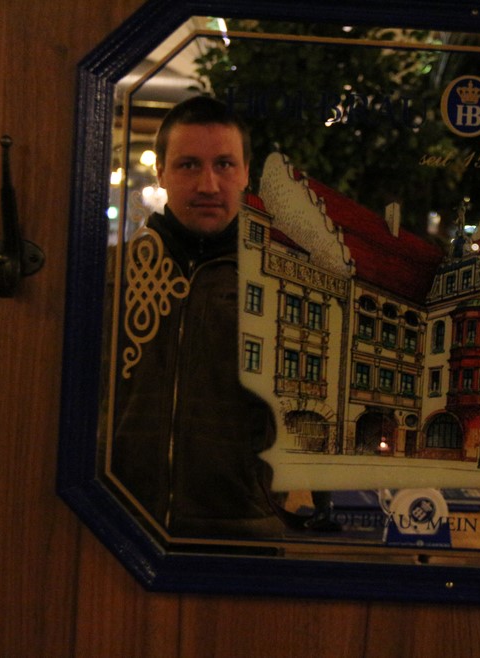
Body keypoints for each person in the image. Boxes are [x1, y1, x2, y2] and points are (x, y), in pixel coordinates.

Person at [109, 96, 285, 538]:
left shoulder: (280, 286)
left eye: (224, 164)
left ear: (246, 173)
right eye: (189, 165)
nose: (208, 185)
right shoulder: (113, 275)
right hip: (118, 528)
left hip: (243, 534)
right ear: (161, 173)